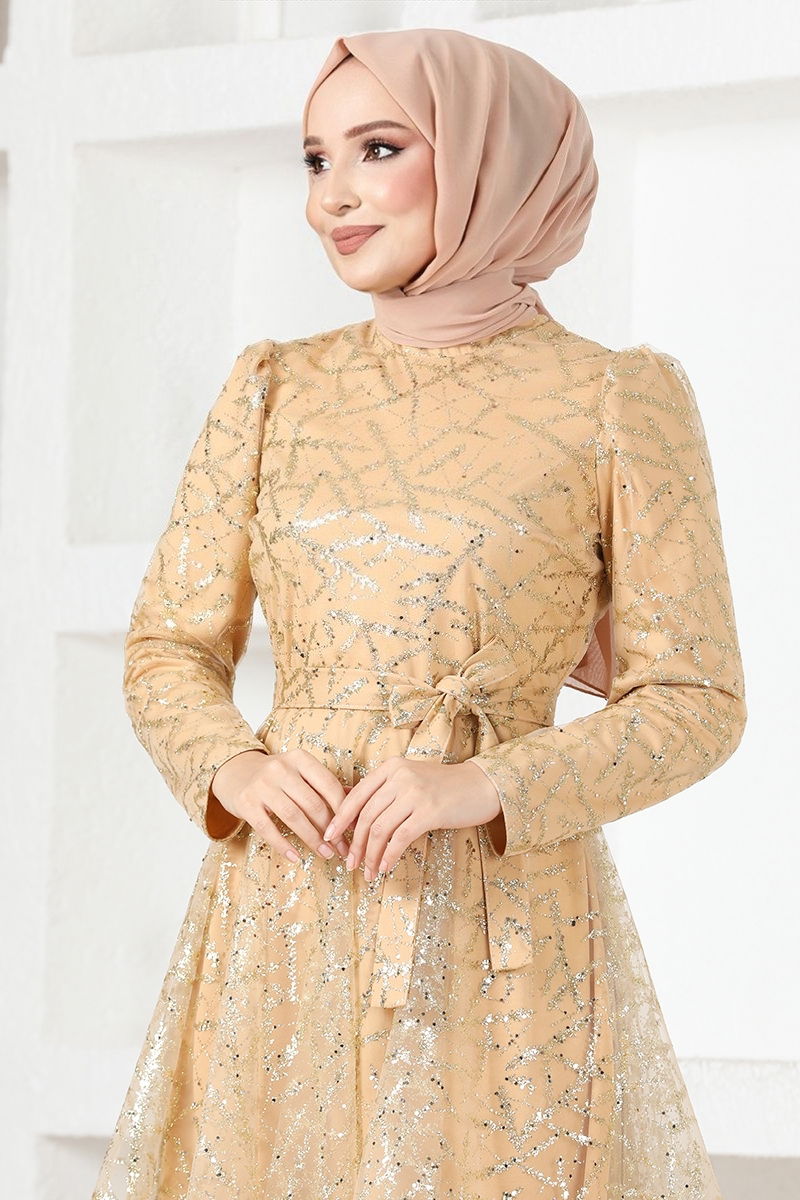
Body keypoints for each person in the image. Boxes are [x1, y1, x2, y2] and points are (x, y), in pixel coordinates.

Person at [91, 27, 747, 1200]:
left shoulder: (614, 396)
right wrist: (232, 767)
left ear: (497, 160)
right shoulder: (272, 386)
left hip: (502, 922)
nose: (332, 196)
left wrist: (484, 784)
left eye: (378, 148)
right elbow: (168, 649)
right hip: (282, 906)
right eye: (314, 159)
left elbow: (693, 700)